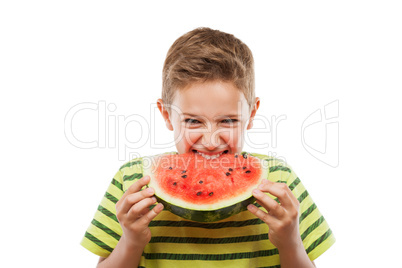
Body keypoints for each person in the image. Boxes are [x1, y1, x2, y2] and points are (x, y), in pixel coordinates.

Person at [81, 27, 335, 267]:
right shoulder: (134, 183)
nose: (211, 141)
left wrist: (290, 241)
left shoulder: (279, 182)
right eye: (192, 121)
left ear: (252, 113)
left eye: (228, 120)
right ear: (167, 115)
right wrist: (131, 240)